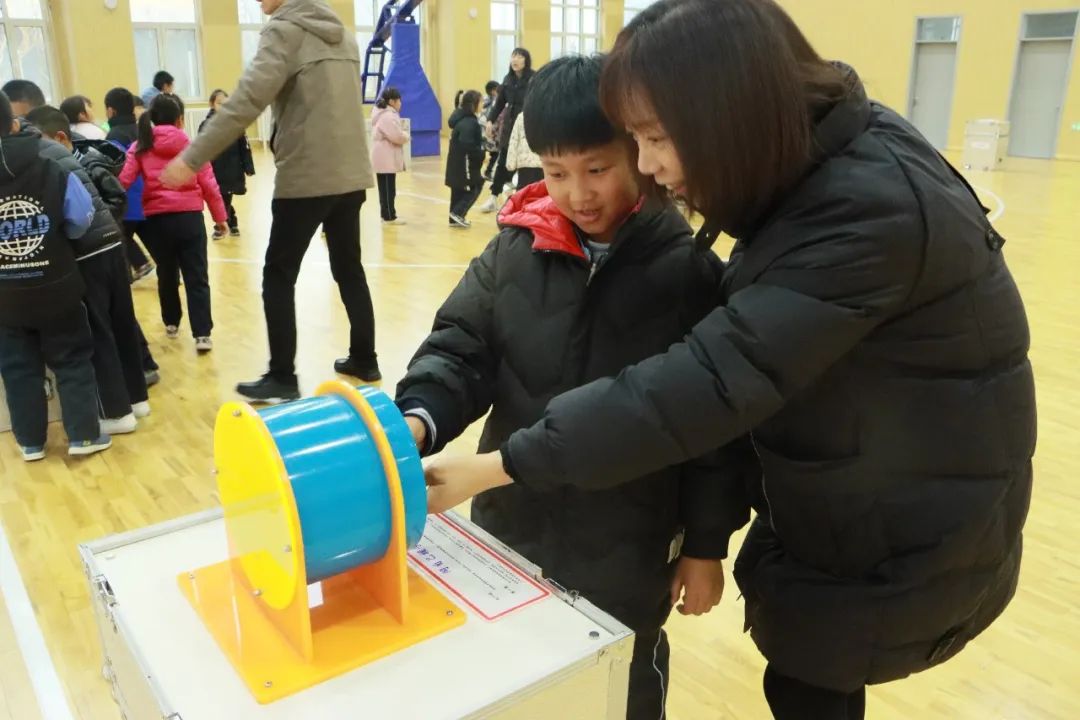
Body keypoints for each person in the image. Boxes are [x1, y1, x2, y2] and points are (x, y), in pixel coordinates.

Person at [420, 2, 1037, 719]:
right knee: (806, 680)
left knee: (799, 679)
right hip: (851, 503)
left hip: (898, 523)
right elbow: (461, 344)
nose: (645, 164)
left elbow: (704, 390)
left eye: (651, 138)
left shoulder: (857, 210)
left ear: (725, 116)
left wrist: (496, 468)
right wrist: (427, 415)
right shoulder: (822, 166)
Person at [397, 55, 745, 720]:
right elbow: (460, 348)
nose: (577, 193)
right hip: (508, 522)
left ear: (639, 154)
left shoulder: (690, 272)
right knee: (520, 683)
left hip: (627, 543)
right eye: (556, 173)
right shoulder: (514, 250)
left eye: (597, 169)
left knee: (623, 687)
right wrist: (418, 418)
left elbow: (716, 429)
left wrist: (705, 543)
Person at [161, 0, 378, 403]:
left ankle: (281, 376)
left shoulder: (284, 30)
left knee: (277, 276)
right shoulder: (343, 33)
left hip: (307, 178)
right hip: (350, 176)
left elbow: (244, 101)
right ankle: (365, 358)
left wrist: (192, 159)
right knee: (349, 268)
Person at [0, 91, 112, 460]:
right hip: (57, 285)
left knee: (17, 369)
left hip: (5, 297)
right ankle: (83, 437)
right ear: (15, 123)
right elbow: (81, 219)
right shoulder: (52, 165)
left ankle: (31, 443)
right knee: (72, 359)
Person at [28, 105, 151, 435]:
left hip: (86, 251)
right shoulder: (66, 150)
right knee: (122, 323)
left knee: (99, 332)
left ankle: (115, 413)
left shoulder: (39, 156)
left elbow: (76, 214)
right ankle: (137, 400)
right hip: (112, 241)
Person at [119, 94, 228, 354]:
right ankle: (202, 334)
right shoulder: (193, 146)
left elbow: (123, 181)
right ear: (180, 119)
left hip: (156, 222)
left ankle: (171, 322)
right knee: (197, 276)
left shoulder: (140, 146)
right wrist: (220, 218)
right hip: (190, 218)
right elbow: (209, 186)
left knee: (167, 273)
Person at [479, 48, 533, 213]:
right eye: (513, 56)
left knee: (526, 164)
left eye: (519, 56)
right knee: (503, 162)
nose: (515, 59)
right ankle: (494, 197)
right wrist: (489, 120)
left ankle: (523, 201)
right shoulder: (507, 80)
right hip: (509, 126)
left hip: (528, 125)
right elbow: (499, 104)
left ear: (526, 60)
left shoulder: (534, 78)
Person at [198, 89, 255, 239]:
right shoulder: (206, 125)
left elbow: (245, 146)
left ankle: (226, 222)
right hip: (214, 168)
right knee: (220, 196)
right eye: (219, 104)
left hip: (232, 167)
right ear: (212, 104)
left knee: (225, 196)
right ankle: (226, 222)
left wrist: (248, 166)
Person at [445, 89, 484, 228]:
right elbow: (467, 144)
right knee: (476, 185)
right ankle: (457, 213)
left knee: (458, 190)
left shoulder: (463, 119)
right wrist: (481, 154)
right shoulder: (469, 122)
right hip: (464, 164)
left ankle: (454, 219)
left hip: (457, 164)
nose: (483, 104)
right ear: (474, 104)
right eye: (481, 101)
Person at [371, 86, 409, 225]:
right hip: (386, 158)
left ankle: (386, 214)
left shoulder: (382, 113)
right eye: (399, 100)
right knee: (388, 189)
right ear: (392, 101)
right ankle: (389, 216)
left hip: (383, 156)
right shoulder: (387, 116)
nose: (400, 103)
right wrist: (406, 135)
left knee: (385, 188)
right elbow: (396, 136)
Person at [503, 111, 543, 189]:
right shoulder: (550, 116)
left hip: (524, 164)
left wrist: (511, 164)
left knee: (523, 192)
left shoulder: (522, 116)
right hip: (542, 163)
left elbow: (514, 140)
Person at [481, 80, 500, 180]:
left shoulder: (483, 100)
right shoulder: (495, 101)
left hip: (482, 131)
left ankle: (478, 171)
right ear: (493, 90)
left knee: (482, 152)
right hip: (491, 131)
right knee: (495, 153)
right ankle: (488, 171)